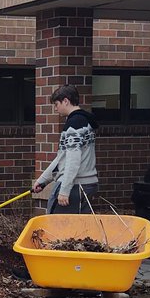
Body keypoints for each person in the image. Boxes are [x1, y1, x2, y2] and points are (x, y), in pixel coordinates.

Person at [32, 83, 99, 213]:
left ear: (66, 101)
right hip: (83, 184)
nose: (55, 109)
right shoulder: (83, 121)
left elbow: (73, 161)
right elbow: (62, 158)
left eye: (56, 104)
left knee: (58, 227)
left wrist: (64, 190)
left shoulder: (74, 125)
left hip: (76, 186)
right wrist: (42, 181)